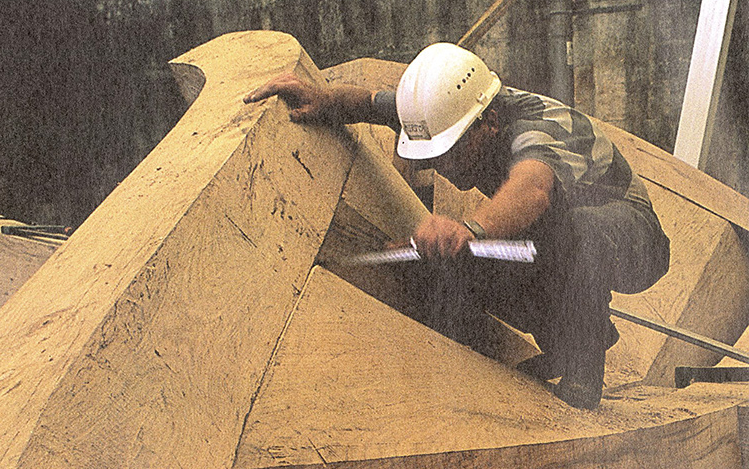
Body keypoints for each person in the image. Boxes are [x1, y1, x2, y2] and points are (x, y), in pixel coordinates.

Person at [243, 43, 670, 409]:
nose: (444, 167)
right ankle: (561, 345)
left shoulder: (539, 127)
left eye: (450, 152)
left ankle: (582, 366)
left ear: (490, 123)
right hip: (556, 238)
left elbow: (534, 188)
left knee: (578, 231)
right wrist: (322, 99)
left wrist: (471, 228)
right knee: (463, 257)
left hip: (634, 241)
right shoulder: (450, 111)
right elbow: (371, 102)